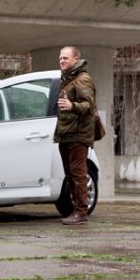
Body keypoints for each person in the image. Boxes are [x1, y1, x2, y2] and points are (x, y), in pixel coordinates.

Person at [54, 46, 96, 226]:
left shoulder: (82, 79)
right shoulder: (68, 79)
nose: (62, 61)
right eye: (60, 58)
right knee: (70, 174)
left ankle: (81, 212)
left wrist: (73, 106)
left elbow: (89, 106)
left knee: (78, 174)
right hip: (67, 134)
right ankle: (76, 210)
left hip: (78, 136)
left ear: (76, 59)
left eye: (65, 58)